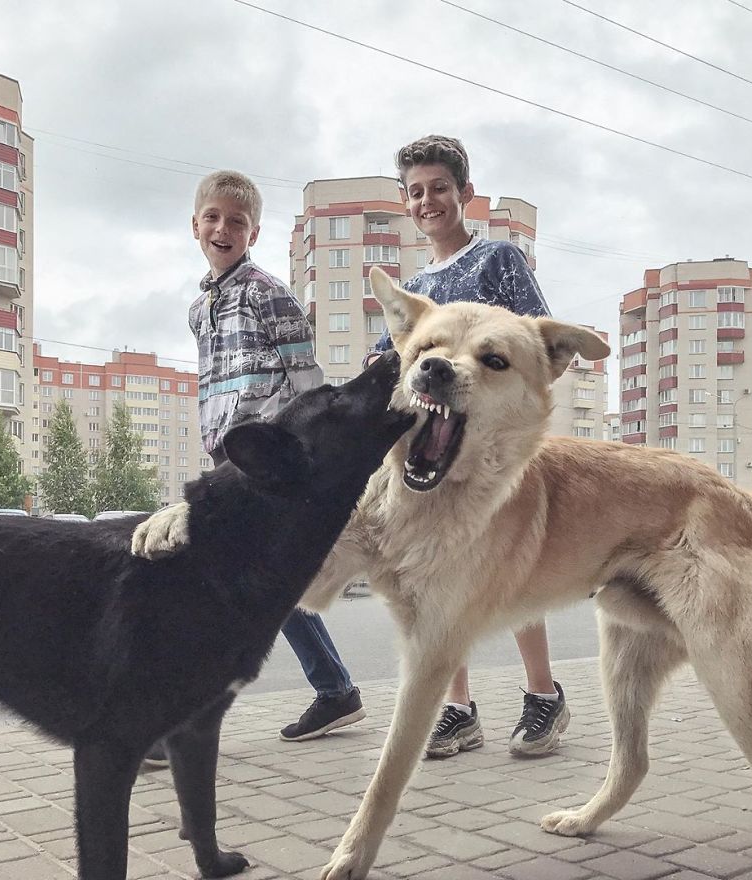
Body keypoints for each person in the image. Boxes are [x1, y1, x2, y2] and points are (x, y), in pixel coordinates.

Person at [144, 170, 364, 767]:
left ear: (254, 233)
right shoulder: (200, 307)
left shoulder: (268, 292)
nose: (223, 228)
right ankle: (335, 689)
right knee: (263, 584)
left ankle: (179, 723)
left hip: (270, 460)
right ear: (195, 225)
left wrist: (301, 459)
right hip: (231, 456)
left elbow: (308, 379)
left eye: (236, 221)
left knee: (217, 583)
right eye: (212, 217)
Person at [367, 135, 570, 759]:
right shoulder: (419, 285)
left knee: (508, 565)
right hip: (434, 444)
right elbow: (397, 359)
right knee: (438, 574)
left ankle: (543, 695)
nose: (429, 201)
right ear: (407, 203)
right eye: (417, 192)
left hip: (489, 448)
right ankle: (457, 708)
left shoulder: (498, 260)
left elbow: (533, 340)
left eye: (440, 189)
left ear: (464, 194)